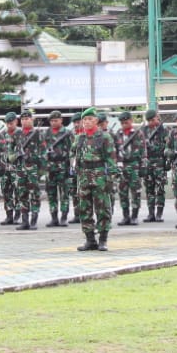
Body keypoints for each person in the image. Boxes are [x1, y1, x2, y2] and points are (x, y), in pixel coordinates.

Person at [72, 107, 115, 251]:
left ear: (96, 120)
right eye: (84, 120)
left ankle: (103, 240)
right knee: (84, 209)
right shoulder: (79, 138)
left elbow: (111, 159)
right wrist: (76, 171)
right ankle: (90, 240)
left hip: (99, 176)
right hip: (84, 175)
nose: (86, 122)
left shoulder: (104, 137)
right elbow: (74, 156)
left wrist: (111, 178)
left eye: (90, 119)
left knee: (102, 208)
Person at [42, 111, 74, 227]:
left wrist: (72, 167)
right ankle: (54, 218)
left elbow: (73, 150)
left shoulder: (67, 133)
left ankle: (64, 217)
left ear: (61, 120)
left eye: (56, 120)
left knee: (64, 193)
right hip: (50, 167)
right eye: (51, 121)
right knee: (51, 194)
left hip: (63, 167)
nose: (54, 123)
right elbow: (43, 149)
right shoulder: (46, 133)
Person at [115, 111, 146, 225]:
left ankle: (134, 216)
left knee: (135, 192)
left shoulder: (138, 133)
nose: (124, 125)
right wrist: (116, 164)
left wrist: (143, 166)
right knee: (122, 193)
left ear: (131, 121)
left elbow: (143, 151)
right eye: (122, 123)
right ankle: (125, 216)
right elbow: (115, 150)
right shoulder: (118, 133)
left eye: (126, 122)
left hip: (134, 166)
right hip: (122, 166)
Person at [141, 110, 169, 223]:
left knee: (160, 189)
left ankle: (159, 213)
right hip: (148, 163)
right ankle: (151, 213)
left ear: (158, 118)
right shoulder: (144, 131)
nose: (153, 122)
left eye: (154, 119)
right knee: (149, 189)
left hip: (159, 162)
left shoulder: (164, 130)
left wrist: (167, 162)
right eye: (150, 120)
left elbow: (169, 145)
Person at [1, 112, 20, 225]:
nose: (9, 125)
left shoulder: (20, 134)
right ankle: (9, 215)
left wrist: (16, 155)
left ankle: (18, 215)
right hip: (5, 168)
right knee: (6, 191)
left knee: (18, 192)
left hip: (16, 168)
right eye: (7, 123)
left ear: (16, 122)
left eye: (11, 123)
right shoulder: (2, 134)